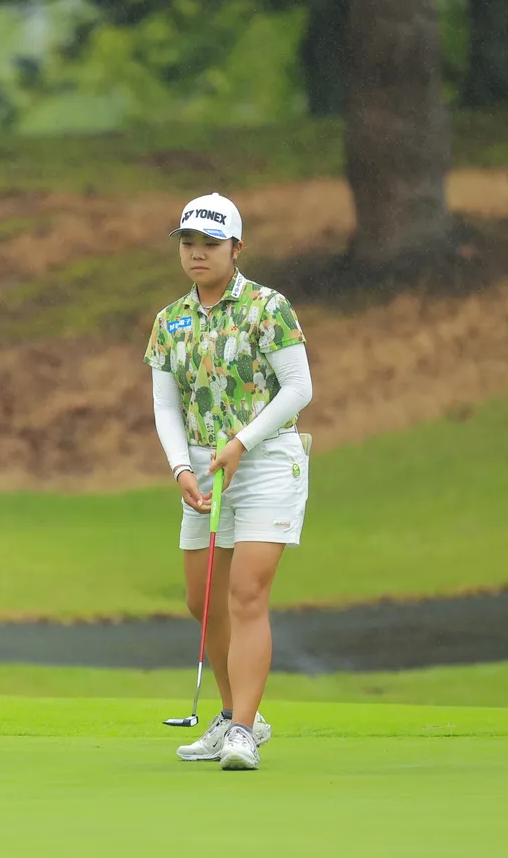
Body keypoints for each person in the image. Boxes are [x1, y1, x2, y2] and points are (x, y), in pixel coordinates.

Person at [143, 192, 314, 771]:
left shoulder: (269, 307)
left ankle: (243, 730)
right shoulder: (170, 321)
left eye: (211, 244)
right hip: (202, 468)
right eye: (188, 243)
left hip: (266, 462)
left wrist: (241, 442)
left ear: (236, 248)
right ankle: (232, 715)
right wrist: (180, 467)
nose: (197, 253)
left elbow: (298, 389)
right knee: (204, 600)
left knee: (246, 595)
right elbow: (166, 406)